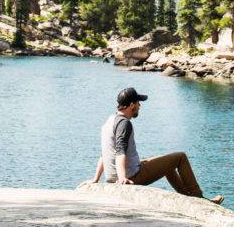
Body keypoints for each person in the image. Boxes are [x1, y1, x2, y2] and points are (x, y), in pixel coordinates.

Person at [87, 86, 224, 204]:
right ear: (131, 105)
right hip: (131, 176)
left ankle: (188, 196)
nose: (140, 106)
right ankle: (198, 198)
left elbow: (104, 153)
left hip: (113, 176)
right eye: (138, 103)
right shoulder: (124, 123)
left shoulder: (108, 122)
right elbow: (120, 150)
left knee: (165, 162)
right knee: (180, 157)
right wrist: (123, 178)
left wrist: (96, 178)